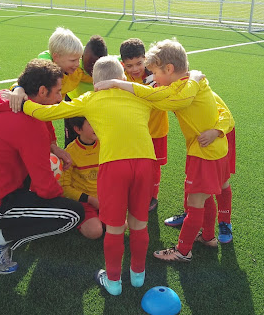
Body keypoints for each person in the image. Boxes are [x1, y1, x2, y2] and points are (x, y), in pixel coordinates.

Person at [18, 56, 204, 295]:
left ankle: (114, 282)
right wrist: (195, 79)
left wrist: (21, 95)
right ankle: (138, 276)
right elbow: (173, 98)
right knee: (139, 225)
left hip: (114, 166)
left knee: (115, 228)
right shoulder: (140, 93)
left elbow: (46, 113)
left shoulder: (90, 98)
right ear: (123, 77)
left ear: (96, 82)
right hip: (146, 163)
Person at [95, 38, 234, 262]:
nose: (154, 79)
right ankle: (208, 237)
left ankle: (183, 251)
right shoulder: (192, 82)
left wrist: (118, 84)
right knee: (205, 196)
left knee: (196, 203)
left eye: (155, 73)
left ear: (169, 69)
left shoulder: (185, 91)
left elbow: (155, 97)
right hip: (212, 150)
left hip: (204, 153)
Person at [0, 59, 85, 275]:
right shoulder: (30, 128)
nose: (61, 98)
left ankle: (13, 225)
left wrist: (53, 146)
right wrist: (64, 197)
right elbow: (46, 187)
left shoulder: (1, 96)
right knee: (71, 214)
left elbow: (40, 115)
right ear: (42, 91)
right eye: (58, 92)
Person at [7, 27, 88, 170]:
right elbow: (25, 82)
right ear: (56, 58)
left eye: (79, 59)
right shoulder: (44, 72)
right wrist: (17, 88)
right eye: (73, 60)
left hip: (46, 112)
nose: (77, 63)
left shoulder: (77, 68)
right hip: (31, 116)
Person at [163, 93, 236, 243]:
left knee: (221, 182)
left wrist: (216, 132)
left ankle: (224, 222)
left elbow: (227, 116)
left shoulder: (196, 90)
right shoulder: (167, 88)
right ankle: (190, 213)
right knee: (193, 177)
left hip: (219, 136)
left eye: (157, 73)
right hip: (198, 139)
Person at [120, 38, 167, 212]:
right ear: (122, 63)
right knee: (134, 163)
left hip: (156, 130)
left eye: (139, 63)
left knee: (154, 166)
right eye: (129, 65)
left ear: (145, 59)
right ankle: (134, 191)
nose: (135, 69)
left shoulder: (156, 74)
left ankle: (152, 195)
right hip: (133, 131)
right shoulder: (120, 75)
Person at [62, 117, 103, 240]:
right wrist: (90, 199)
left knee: (122, 227)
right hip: (84, 201)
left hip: (104, 198)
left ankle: (99, 218)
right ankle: (75, 217)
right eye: (91, 124)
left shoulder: (105, 145)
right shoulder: (70, 152)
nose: (96, 126)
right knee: (95, 232)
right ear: (78, 129)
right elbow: (64, 188)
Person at [65, 35, 108, 146]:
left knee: (95, 138)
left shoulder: (108, 65)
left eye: (96, 66)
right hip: (73, 102)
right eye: (88, 65)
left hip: (93, 104)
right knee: (72, 138)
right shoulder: (75, 60)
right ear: (82, 57)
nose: (92, 70)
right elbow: (46, 54)